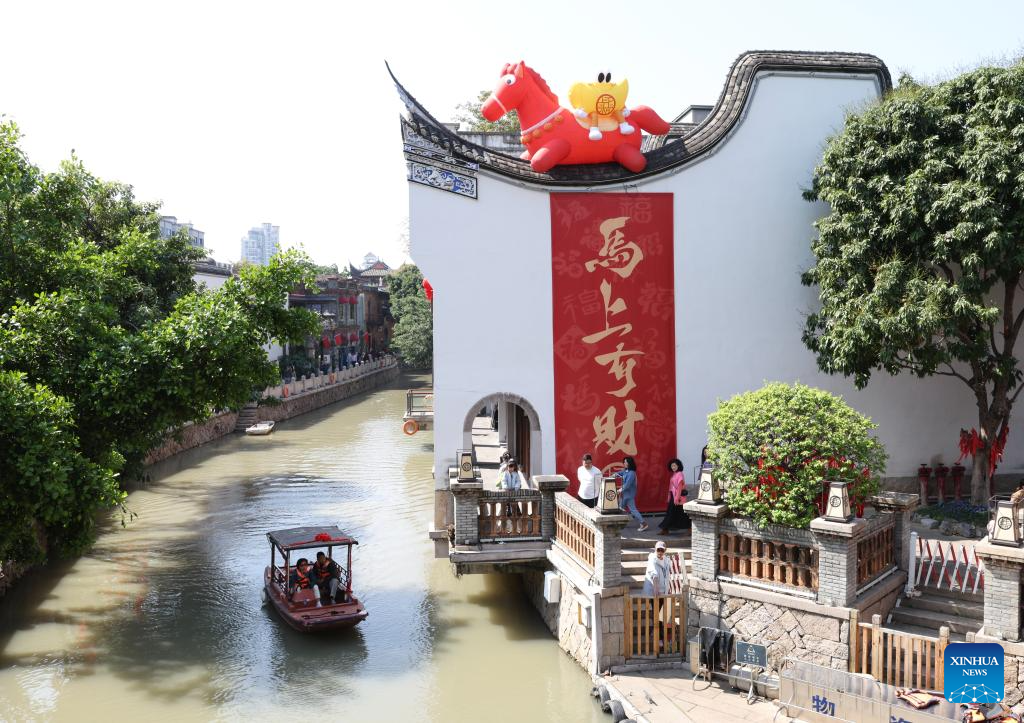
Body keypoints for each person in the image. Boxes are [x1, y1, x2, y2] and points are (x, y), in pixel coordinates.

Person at [658, 458, 689, 534]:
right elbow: (671, 487)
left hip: (678, 497)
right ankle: (666, 529)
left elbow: (679, 487)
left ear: (678, 466)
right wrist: (670, 497)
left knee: (674, 513)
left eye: (674, 465)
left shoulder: (680, 474)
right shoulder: (674, 474)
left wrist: (676, 499)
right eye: (672, 466)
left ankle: (665, 529)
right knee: (678, 513)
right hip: (673, 496)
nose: (673, 467)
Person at [615, 456, 646, 531]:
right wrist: (613, 475)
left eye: (626, 462)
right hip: (624, 495)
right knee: (621, 508)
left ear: (630, 463)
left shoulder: (632, 473)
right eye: (624, 462)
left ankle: (643, 523)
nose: (624, 463)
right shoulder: (626, 471)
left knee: (632, 510)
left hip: (629, 495)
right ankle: (621, 523)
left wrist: (620, 490)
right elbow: (619, 473)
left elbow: (627, 485)